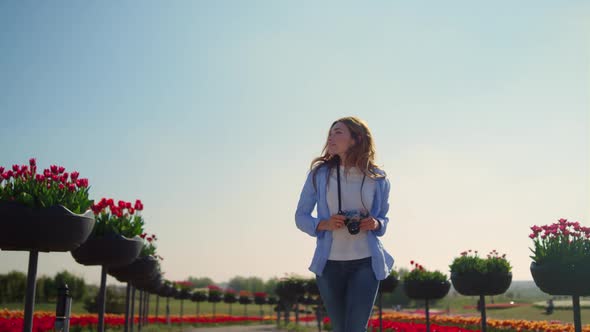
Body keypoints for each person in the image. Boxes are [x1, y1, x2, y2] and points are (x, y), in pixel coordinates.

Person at [295, 116, 394, 332]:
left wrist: (375, 223)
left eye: (338, 132)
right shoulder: (319, 175)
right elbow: (300, 217)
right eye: (330, 133)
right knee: (340, 329)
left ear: (356, 139)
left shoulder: (378, 179)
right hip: (329, 265)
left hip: (366, 263)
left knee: (356, 329)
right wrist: (324, 224)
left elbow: (384, 220)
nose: (331, 136)